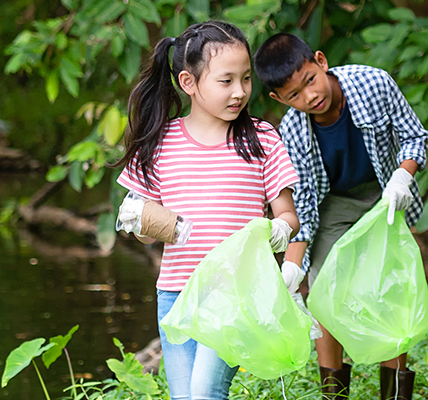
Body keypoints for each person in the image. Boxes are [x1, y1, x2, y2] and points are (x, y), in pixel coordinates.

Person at [112, 21, 301, 400]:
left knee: (204, 392)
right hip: (176, 293)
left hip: (236, 293)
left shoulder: (262, 138)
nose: (240, 91)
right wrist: (140, 221)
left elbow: (288, 217)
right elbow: (146, 233)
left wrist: (279, 231)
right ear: (188, 82)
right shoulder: (160, 142)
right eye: (226, 81)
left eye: (245, 79)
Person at [253, 33, 428, 400]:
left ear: (321, 61)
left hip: (384, 192)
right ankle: (333, 395)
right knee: (323, 294)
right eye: (294, 95)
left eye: (310, 81)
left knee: (389, 289)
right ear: (278, 99)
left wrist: (403, 176)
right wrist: (293, 268)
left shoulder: (374, 83)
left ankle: (394, 395)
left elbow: (415, 136)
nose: (309, 97)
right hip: (331, 203)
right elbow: (303, 203)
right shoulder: (292, 130)